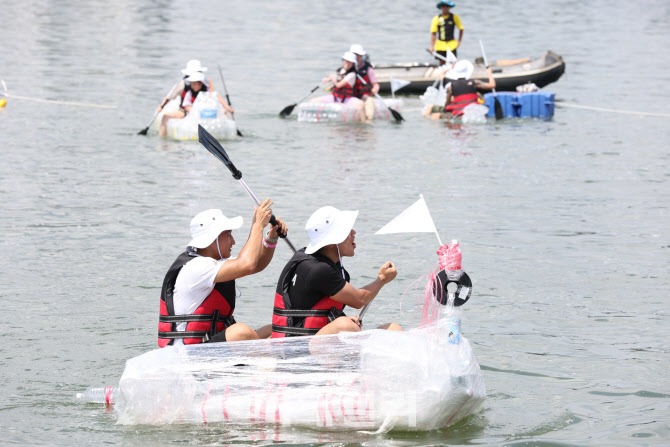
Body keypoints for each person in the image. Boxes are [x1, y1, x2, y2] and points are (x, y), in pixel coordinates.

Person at [158, 200, 288, 347]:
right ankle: (272, 358)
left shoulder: (211, 262)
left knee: (276, 330)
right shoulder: (197, 267)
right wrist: (257, 225)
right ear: (212, 239)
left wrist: (271, 237)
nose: (233, 241)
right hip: (188, 353)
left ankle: (268, 352)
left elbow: (256, 264)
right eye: (228, 235)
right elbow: (247, 264)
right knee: (240, 332)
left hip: (207, 344)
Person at [271, 206, 402, 338]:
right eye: (346, 231)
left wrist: (334, 319)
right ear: (330, 243)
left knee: (394, 329)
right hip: (299, 347)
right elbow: (359, 300)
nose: (354, 233)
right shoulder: (319, 269)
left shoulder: (313, 259)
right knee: (346, 325)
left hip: (310, 338)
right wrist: (382, 280)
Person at [423, 59, 496, 119]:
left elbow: (447, 104)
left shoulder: (451, 85)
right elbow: (492, 85)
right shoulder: (474, 82)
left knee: (434, 116)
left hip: (458, 114)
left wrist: (450, 68)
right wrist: (489, 73)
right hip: (472, 112)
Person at [310, 52, 366, 120]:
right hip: (335, 98)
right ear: (343, 61)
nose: (347, 63)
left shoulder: (352, 74)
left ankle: (364, 122)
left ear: (353, 64)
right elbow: (333, 78)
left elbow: (339, 85)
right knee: (312, 101)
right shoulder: (340, 70)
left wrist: (333, 79)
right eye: (346, 61)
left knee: (361, 104)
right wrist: (327, 79)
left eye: (350, 62)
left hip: (346, 99)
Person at [350, 44, 380, 120]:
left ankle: (368, 121)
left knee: (369, 102)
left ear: (361, 56)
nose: (356, 57)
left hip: (365, 96)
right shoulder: (348, 67)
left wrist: (375, 89)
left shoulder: (368, 69)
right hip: (351, 96)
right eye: (354, 55)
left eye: (358, 55)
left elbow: (375, 84)